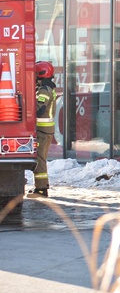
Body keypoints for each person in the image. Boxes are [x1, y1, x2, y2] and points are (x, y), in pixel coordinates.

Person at [30, 61, 57, 198]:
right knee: (40, 159)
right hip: (44, 130)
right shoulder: (45, 87)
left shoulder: (44, 89)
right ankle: (41, 187)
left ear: (41, 73)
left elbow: (40, 109)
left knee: (40, 160)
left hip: (43, 131)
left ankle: (41, 190)